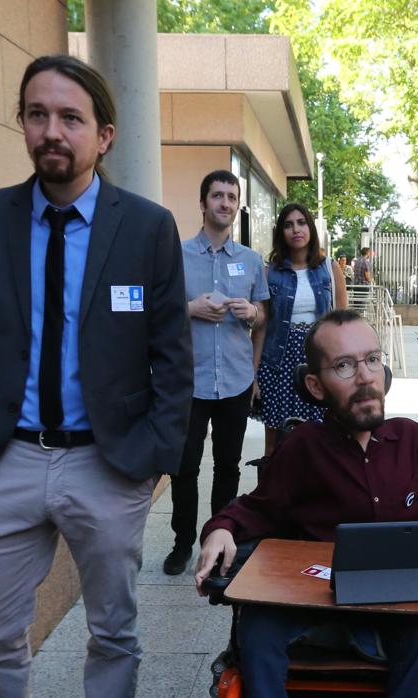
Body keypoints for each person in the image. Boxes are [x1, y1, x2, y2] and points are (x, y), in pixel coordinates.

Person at [0, 55, 192, 696]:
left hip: (106, 464)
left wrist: (152, 455)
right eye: (37, 114)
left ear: (103, 135)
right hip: (6, 458)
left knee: (114, 632)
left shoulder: (146, 227)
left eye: (70, 118)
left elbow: (172, 353)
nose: (52, 130)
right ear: (23, 123)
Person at [196, 310, 418, 698]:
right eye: (344, 366)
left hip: (393, 599)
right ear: (316, 386)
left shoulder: (410, 440)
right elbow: (257, 508)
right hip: (310, 597)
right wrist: (221, 528)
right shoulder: (303, 447)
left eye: (372, 359)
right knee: (256, 632)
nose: (366, 376)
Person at [163, 170, 270, 576]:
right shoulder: (177, 256)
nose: (224, 203)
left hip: (236, 380)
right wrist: (189, 308)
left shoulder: (250, 260)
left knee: (227, 465)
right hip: (189, 381)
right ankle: (181, 542)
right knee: (184, 465)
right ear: (203, 203)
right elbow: (157, 313)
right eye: (217, 195)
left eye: (231, 196)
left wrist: (253, 312)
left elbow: (263, 321)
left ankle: (218, 539)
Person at [251, 203, 348, 456]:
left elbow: (343, 320)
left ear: (311, 228)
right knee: (275, 442)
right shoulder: (270, 272)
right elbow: (262, 328)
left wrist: (346, 366)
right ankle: (274, 494)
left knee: (322, 437)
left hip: (319, 360)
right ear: (281, 232)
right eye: (288, 224)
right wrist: (254, 375)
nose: (296, 229)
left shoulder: (329, 268)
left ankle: (316, 494)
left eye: (301, 223)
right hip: (279, 363)